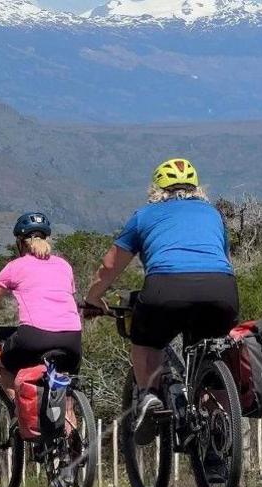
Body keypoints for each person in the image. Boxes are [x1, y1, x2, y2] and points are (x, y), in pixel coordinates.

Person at [84, 158, 239, 445]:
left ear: (157, 189)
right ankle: (218, 442)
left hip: (166, 289)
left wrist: (93, 298)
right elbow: (225, 259)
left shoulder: (144, 216)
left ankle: (150, 397)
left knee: (145, 340)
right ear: (197, 188)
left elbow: (109, 267)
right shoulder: (213, 214)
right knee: (210, 356)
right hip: (221, 290)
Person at [0, 212, 83, 429]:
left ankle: (21, 412)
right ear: (47, 239)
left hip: (34, 336)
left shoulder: (16, 266)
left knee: (3, 365)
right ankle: (72, 449)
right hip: (72, 339)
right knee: (66, 396)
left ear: (20, 243)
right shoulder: (64, 266)